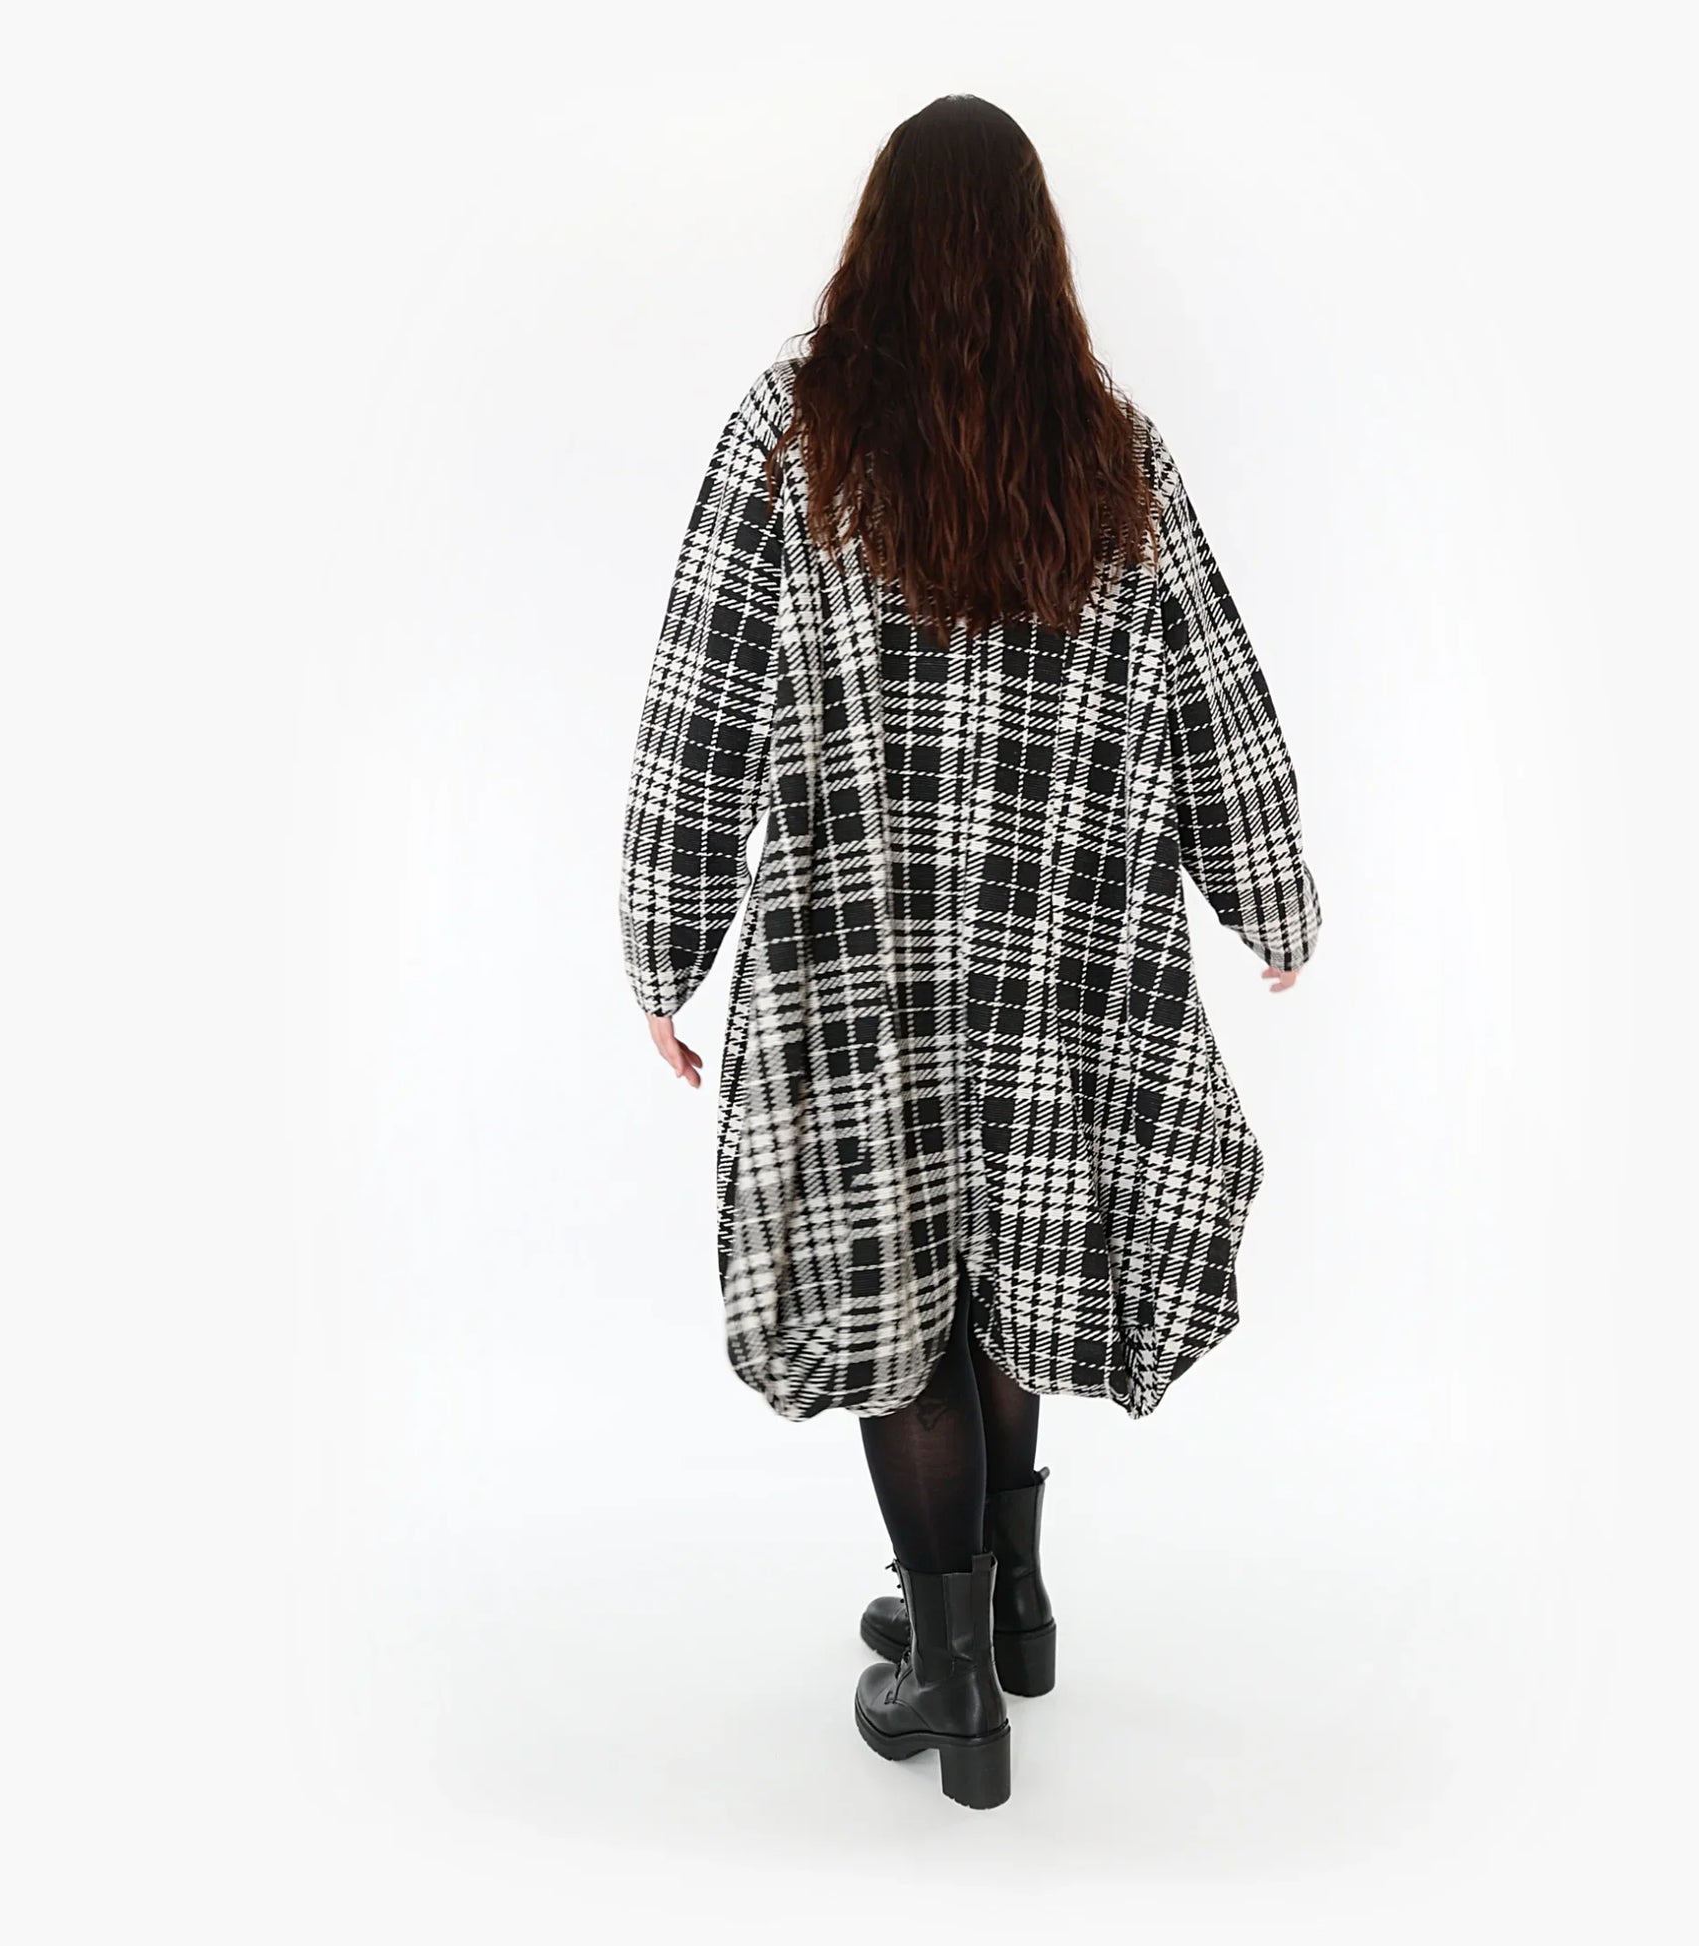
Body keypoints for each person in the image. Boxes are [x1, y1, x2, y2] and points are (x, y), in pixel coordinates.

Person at [618, 94, 1322, 1810]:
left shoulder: (791, 437)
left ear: (875, 244)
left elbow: (701, 708)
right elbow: (1218, 691)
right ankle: (1009, 1606)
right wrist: (1271, 897)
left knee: (897, 1286)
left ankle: (951, 1679)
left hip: (856, 968)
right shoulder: (1108, 448)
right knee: (1008, 1257)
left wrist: (663, 946)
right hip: (1055, 969)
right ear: (1034, 256)